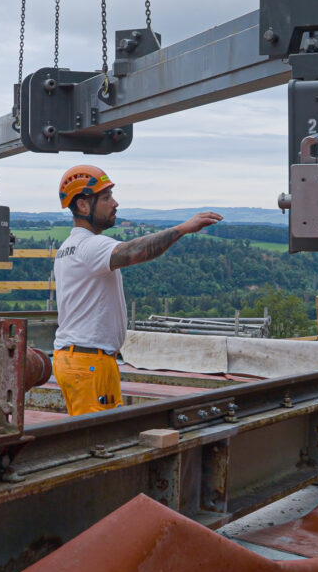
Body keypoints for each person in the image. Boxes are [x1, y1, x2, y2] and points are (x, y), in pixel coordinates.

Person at [51, 165, 222, 416]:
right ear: (84, 206)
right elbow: (133, 252)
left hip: (80, 360)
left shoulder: (69, 247)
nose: (115, 203)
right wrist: (182, 229)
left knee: (99, 435)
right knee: (99, 439)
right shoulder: (90, 245)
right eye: (106, 198)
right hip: (89, 363)